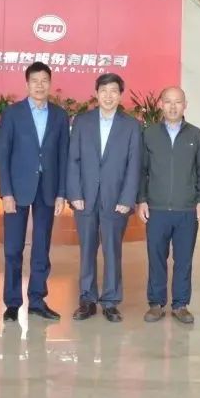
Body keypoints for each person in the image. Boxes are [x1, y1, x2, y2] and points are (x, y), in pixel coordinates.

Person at [67, 73, 142, 323]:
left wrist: (127, 198)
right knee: (87, 250)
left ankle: (111, 301)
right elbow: (73, 159)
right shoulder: (82, 121)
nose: (108, 96)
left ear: (120, 95)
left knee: (112, 250)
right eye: (104, 91)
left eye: (113, 91)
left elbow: (134, 165)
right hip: (85, 198)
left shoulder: (131, 126)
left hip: (116, 199)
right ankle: (87, 299)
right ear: (96, 94)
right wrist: (75, 193)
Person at [0, 62, 70, 323]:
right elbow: (3, 154)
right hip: (17, 190)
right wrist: (6, 192)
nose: (40, 86)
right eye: (35, 81)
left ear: (50, 83)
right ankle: (12, 303)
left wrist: (61, 193)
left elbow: (63, 156)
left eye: (44, 81)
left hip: (47, 190)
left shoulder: (60, 116)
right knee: (13, 249)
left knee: (41, 248)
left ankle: (37, 301)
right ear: (27, 84)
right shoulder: (12, 113)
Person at [138, 86, 200, 325]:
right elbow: (141, 170)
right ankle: (156, 303)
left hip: (186, 210)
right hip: (156, 209)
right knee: (156, 258)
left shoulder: (196, 135)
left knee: (184, 260)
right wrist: (141, 200)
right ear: (160, 104)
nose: (172, 106)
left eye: (177, 102)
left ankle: (180, 304)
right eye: (167, 101)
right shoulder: (149, 134)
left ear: (185, 105)